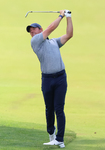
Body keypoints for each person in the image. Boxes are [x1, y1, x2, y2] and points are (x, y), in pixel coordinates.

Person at [26, 10, 73, 148]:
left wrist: (68, 17)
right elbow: (51, 28)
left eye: (34, 29)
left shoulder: (54, 42)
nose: (32, 32)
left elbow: (69, 35)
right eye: (30, 31)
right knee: (49, 108)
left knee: (59, 108)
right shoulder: (35, 42)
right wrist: (61, 15)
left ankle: (60, 139)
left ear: (40, 29)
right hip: (47, 79)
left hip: (60, 78)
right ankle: (51, 135)